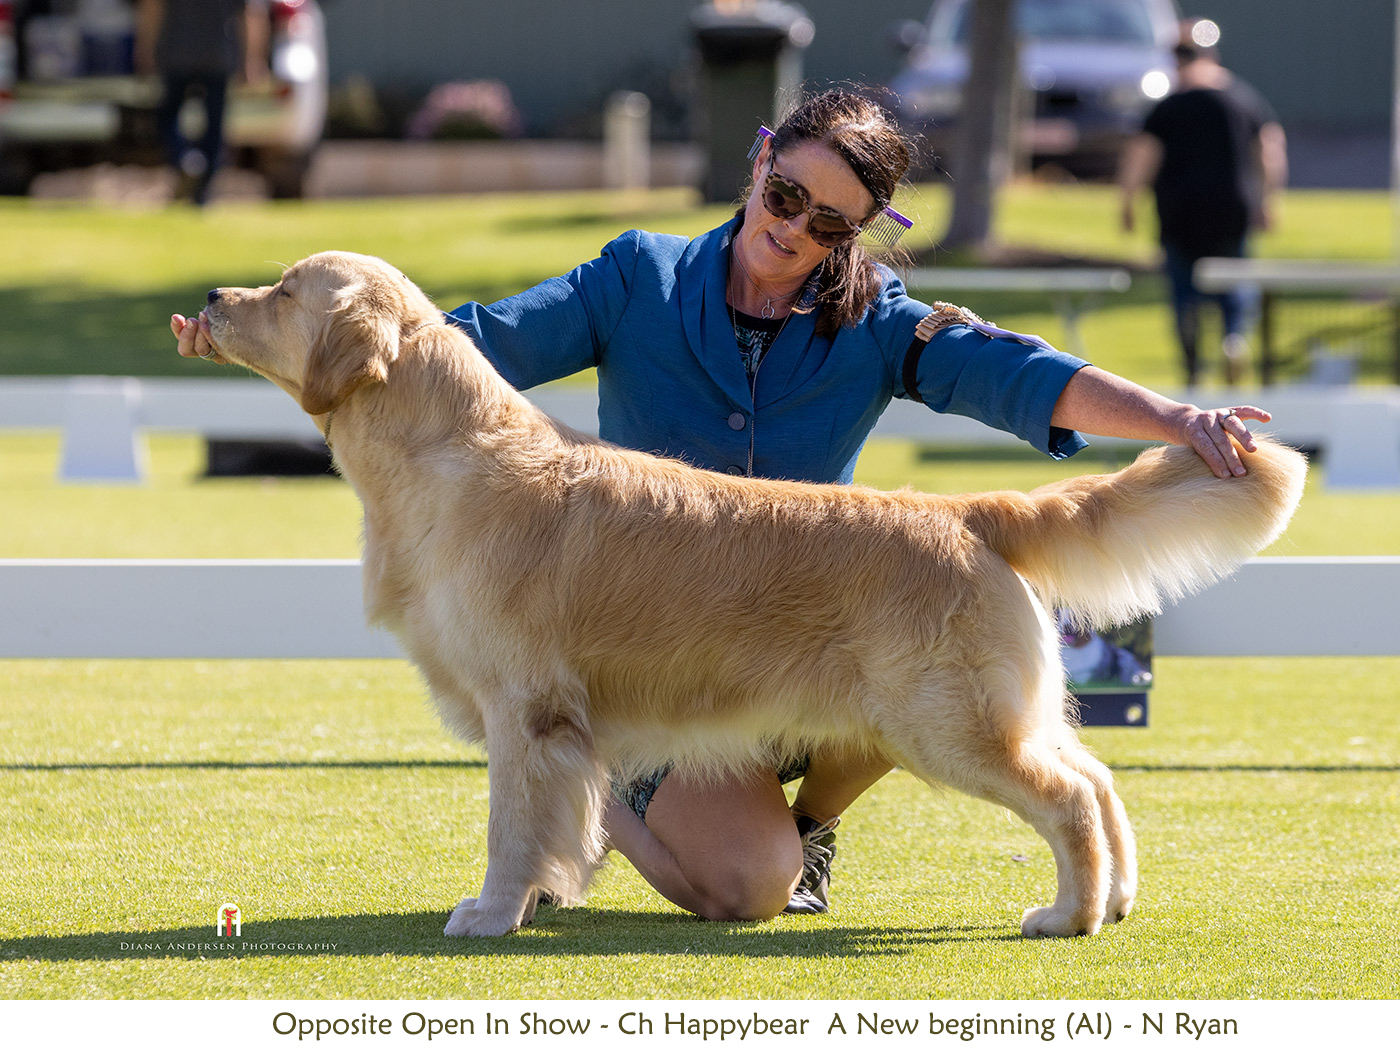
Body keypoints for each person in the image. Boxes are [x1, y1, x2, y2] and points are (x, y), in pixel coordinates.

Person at [173, 88, 1271, 922]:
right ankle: (619, 815)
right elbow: (471, 346)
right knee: (747, 887)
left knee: (914, 691)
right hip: (657, 647)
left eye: (830, 225)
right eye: (784, 196)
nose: (792, 230)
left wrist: (1176, 421)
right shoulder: (636, 278)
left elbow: (1019, 375)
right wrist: (274, 338)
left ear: (860, 236)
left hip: (816, 620)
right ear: (757, 165)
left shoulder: (877, 320)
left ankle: (688, 815)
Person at [1118, 17, 1288, 387]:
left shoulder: (1168, 107)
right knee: (1235, 280)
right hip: (1232, 207)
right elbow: (1270, 150)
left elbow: (1142, 156)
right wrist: (1268, 201)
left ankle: (1193, 364)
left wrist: (1128, 202)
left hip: (1179, 210)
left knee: (1184, 288)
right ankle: (1234, 337)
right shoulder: (1244, 100)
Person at [136, 0, 268, 206]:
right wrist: (251, 60)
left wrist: (145, 48)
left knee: (167, 117)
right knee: (214, 126)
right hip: (218, 56)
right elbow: (251, 14)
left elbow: (152, 8)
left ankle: (185, 159)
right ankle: (203, 189)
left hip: (177, 54)